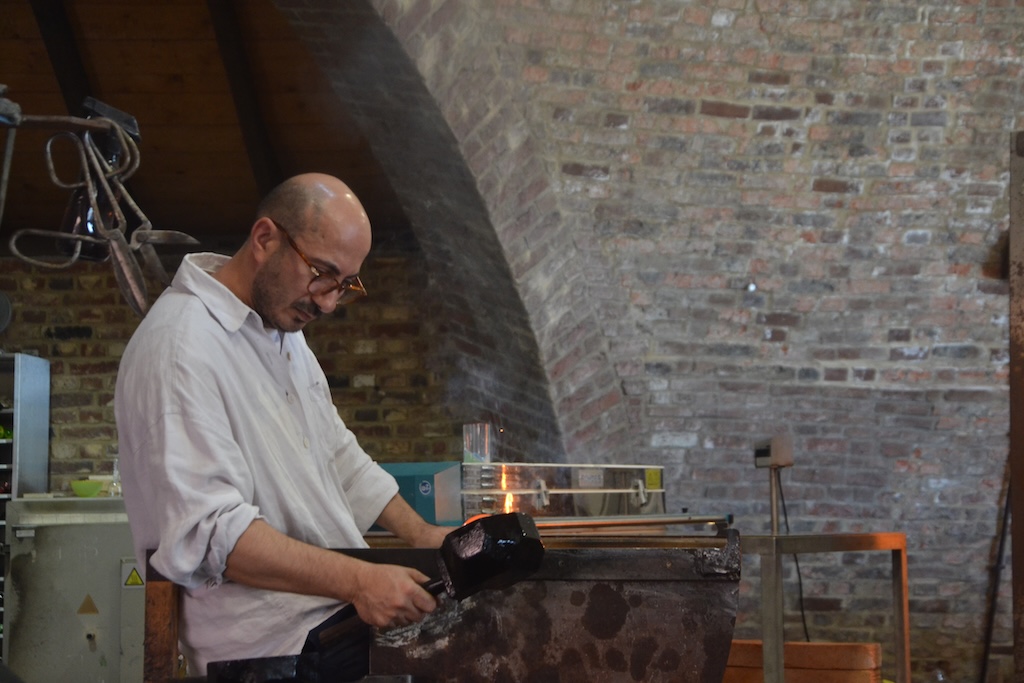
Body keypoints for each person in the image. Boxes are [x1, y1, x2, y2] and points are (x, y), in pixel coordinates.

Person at [114, 173, 451, 677]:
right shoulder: (180, 348)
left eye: (344, 285)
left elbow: (337, 455)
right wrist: (360, 581)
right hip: (271, 647)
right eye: (321, 273)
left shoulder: (279, 332)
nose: (328, 302)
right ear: (265, 238)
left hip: (326, 615)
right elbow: (212, 533)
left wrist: (423, 534)